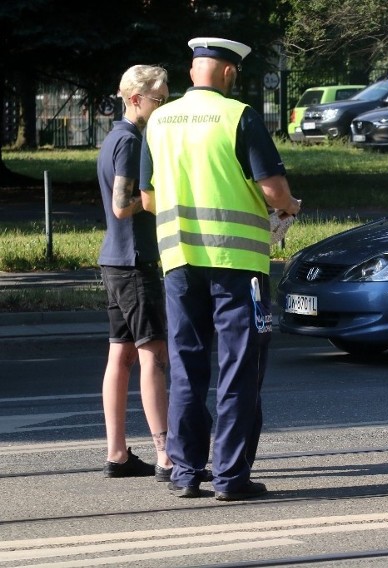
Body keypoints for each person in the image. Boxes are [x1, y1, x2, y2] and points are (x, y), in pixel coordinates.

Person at [140, 37, 301, 500]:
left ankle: (185, 472)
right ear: (229, 73)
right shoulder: (239, 116)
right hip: (238, 264)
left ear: (193, 72)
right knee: (239, 367)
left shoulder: (160, 120)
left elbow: (148, 198)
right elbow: (273, 191)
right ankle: (231, 478)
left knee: (187, 368)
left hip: (179, 261)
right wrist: (290, 207)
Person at [97, 65, 173, 481]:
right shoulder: (129, 141)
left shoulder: (113, 137)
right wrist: (166, 201)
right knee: (154, 357)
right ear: (134, 99)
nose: (162, 106)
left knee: (120, 356)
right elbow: (122, 205)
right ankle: (166, 455)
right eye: (158, 99)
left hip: (114, 260)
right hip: (133, 262)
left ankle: (118, 454)